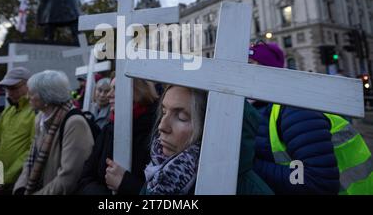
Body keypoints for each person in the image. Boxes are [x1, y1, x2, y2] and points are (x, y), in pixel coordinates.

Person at [249, 41, 373, 194]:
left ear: (269, 70)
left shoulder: (296, 109)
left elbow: (317, 182)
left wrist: (246, 164)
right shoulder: (257, 107)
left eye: (250, 64)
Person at [141, 85, 273, 195]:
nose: (162, 126)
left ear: (211, 126)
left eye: (181, 117)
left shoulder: (250, 190)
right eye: (164, 112)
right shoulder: (158, 173)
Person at [14, 70, 94, 195]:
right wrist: (20, 187)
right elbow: (31, 158)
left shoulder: (75, 123)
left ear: (47, 96)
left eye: (32, 93)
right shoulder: (40, 118)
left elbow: (69, 178)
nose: (27, 97)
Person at [77, 77, 158, 195]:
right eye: (110, 89)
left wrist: (127, 184)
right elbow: (85, 178)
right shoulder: (108, 129)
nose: (109, 95)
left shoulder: (156, 133)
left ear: (138, 91)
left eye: (116, 89)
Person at [0, 67, 36, 195]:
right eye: (7, 88)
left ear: (28, 86)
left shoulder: (36, 112)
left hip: (21, 184)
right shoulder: (8, 111)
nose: (9, 92)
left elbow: (32, 150)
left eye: (14, 87)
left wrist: (4, 179)